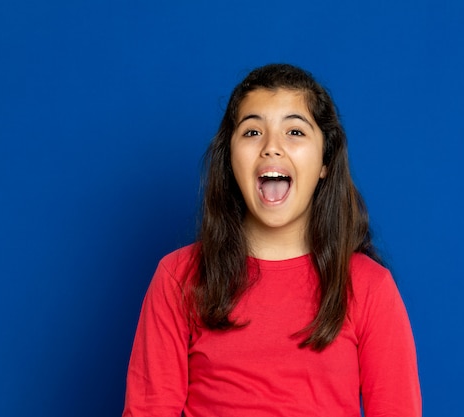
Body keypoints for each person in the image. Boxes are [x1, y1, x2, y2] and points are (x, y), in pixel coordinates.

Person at [122, 63, 422, 417]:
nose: (271, 148)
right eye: (252, 132)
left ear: (325, 161)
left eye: (295, 132)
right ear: (230, 160)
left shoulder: (370, 287)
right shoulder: (177, 277)